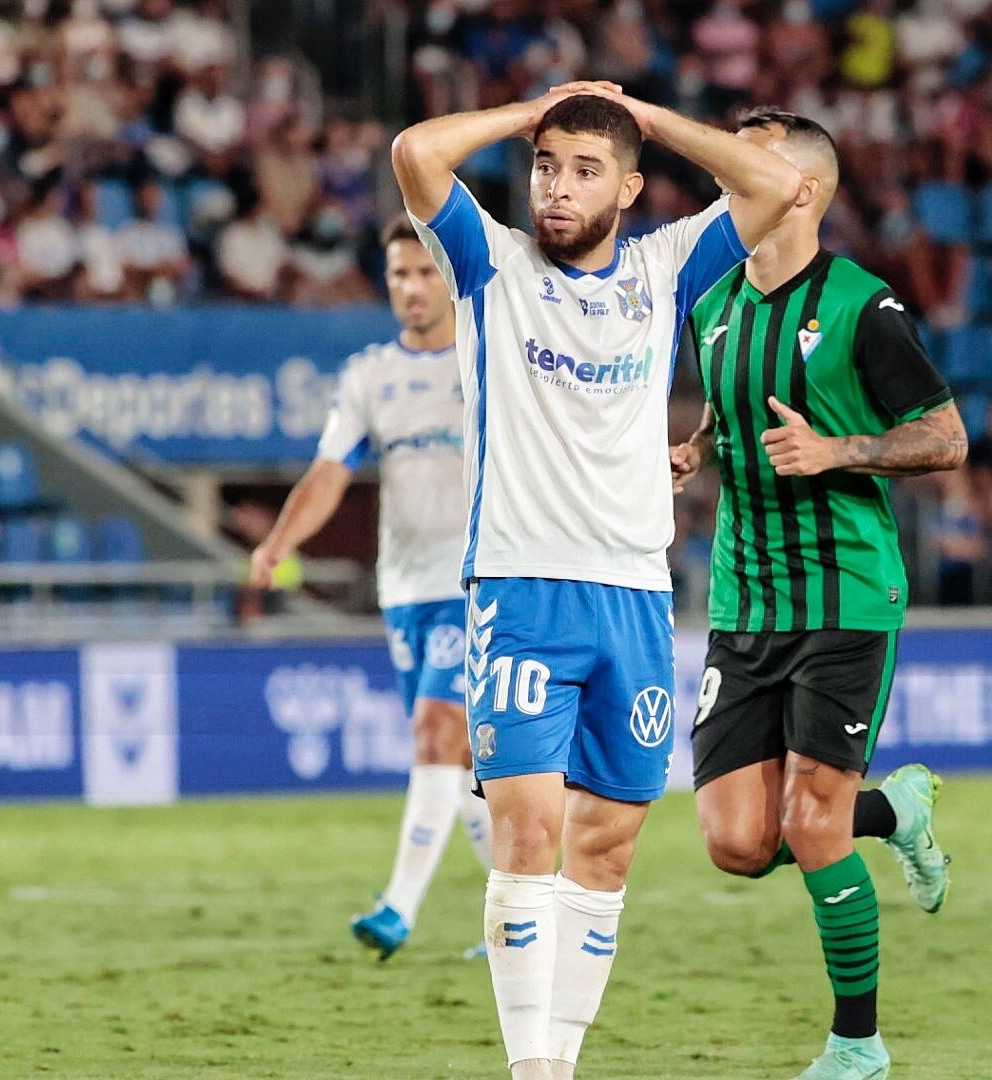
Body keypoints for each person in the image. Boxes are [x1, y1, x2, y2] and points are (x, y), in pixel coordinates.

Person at [391, 83, 800, 1080]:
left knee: (607, 850)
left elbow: (778, 182)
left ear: (628, 186)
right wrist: (538, 107)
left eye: (584, 170)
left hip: (634, 599)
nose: (558, 188)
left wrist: (644, 118)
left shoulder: (666, 268)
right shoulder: (491, 263)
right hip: (521, 591)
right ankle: (531, 1071)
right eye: (546, 166)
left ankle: (560, 1065)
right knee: (528, 830)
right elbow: (415, 153)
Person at [669, 107, 965, 1080]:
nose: (723, 176)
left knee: (807, 821)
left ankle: (858, 1045)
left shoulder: (861, 305)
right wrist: (693, 449)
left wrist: (839, 450)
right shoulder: (710, 305)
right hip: (743, 606)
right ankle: (898, 814)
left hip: (844, 597)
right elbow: (727, 410)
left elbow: (947, 437)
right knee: (737, 844)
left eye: (744, 162)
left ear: (799, 190)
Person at [248, 215, 492, 959]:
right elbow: (331, 472)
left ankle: (398, 908)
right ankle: (522, 905)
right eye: (398, 276)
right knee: (459, 760)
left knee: (436, 734)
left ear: (449, 279)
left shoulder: (488, 358)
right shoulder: (369, 374)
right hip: (406, 587)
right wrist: (280, 539)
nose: (411, 289)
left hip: (476, 578)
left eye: (425, 273)